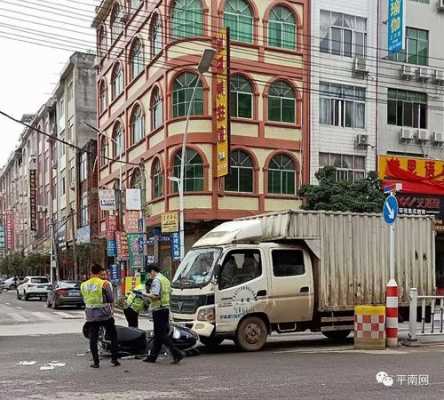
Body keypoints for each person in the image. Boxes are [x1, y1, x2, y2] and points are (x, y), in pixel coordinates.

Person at [80, 263, 120, 369]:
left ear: (91, 273)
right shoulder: (104, 284)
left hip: (91, 315)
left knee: (93, 338)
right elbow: (111, 298)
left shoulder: (84, 284)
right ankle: (114, 359)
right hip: (104, 314)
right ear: (99, 273)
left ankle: (96, 362)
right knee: (113, 335)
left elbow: (84, 298)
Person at [143, 264, 184, 364]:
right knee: (158, 335)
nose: (149, 276)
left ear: (152, 271)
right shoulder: (164, 279)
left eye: (149, 273)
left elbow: (155, 296)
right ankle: (152, 357)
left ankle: (177, 353)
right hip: (165, 308)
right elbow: (170, 292)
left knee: (161, 335)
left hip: (158, 309)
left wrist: (144, 294)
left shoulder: (157, 280)